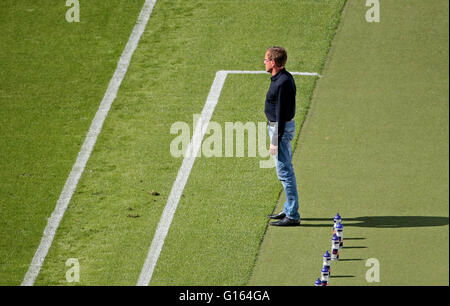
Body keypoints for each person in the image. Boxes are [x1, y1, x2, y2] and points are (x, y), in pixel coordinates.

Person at [264, 46, 300, 226]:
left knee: (285, 172)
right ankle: (288, 209)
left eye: (266, 59)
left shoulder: (282, 82)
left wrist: (274, 141)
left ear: (274, 62)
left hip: (281, 129)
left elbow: (280, 114)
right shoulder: (281, 78)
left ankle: (292, 215)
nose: (264, 62)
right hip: (280, 128)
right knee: (284, 170)